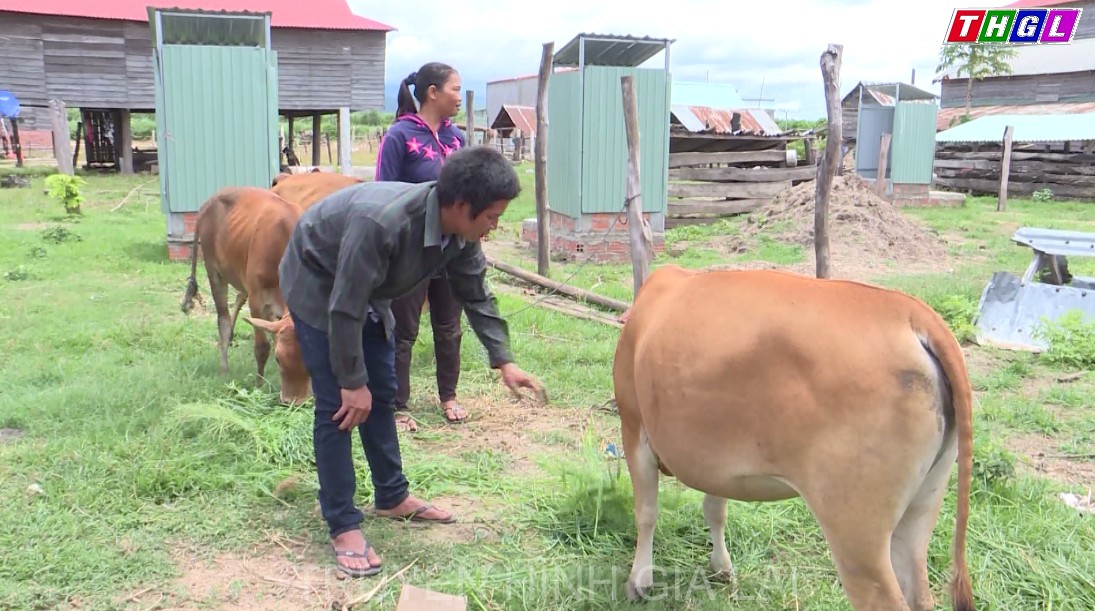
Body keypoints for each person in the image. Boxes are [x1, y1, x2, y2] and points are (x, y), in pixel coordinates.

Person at [279, 144, 543, 578]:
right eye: (492, 217)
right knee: (340, 408)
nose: (495, 227)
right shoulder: (381, 223)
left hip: (367, 291)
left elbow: (475, 292)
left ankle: (391, 496)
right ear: (461, 205)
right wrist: (349, 379)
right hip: (319, 280)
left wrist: (504, 361)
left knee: (381, 392)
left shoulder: (458, 232)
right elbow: (344, 306)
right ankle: (343, 523)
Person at [376, 62, 469, 432]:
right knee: (402, 330)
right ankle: (398, 405)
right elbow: (383, 195)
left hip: (452, 249)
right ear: (433, 92)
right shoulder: (399, 137)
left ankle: (449, 396)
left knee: (449, 326)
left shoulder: (458, 139)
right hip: (411, 251)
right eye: (454, 90)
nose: (459, 97)